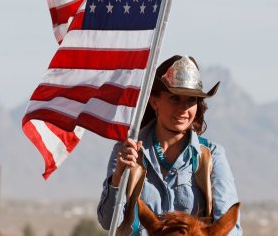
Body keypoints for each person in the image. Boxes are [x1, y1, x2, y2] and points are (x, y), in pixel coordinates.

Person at [97, 55, 242, 235]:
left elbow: (229, 229)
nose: (183, 109)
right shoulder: (127, 151)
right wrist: (119, 175)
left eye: (191, 100)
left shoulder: (213, 156)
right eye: (175, 98)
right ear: (154, 101)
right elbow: (108, 221)